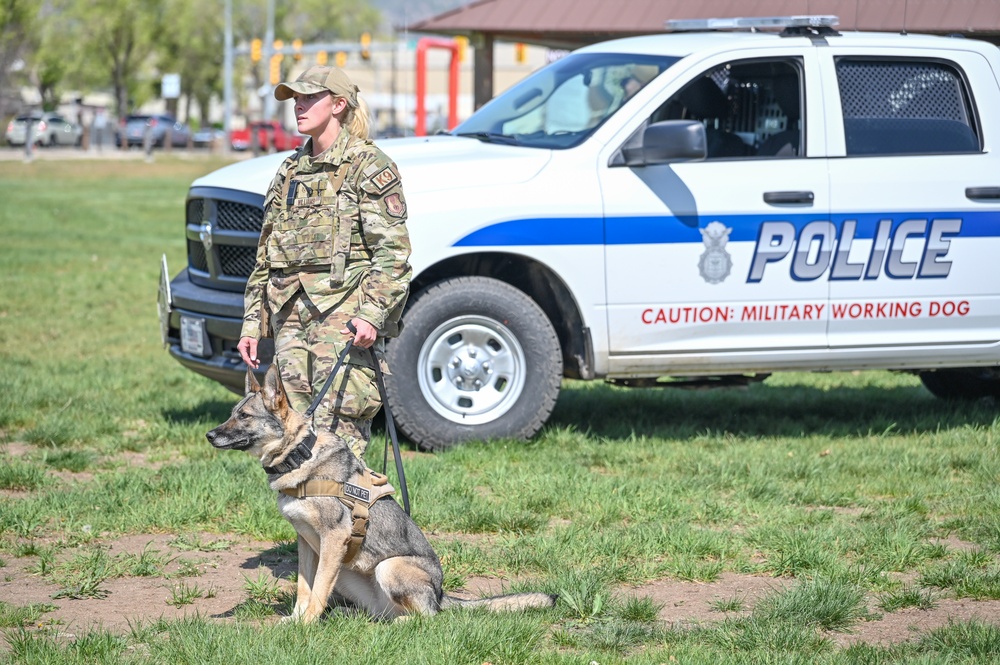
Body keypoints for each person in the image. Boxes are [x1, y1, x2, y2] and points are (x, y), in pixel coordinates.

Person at [237, 64, 412, 461]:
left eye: (308, 97)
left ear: (338, 104)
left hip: (344, 316)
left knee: (339, 434)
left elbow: (393, 253)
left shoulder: (369, 166)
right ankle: (310, 524)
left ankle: (353, 524)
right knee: (292, 434)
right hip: (288, 317)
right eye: (295, 98)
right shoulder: (289, 171)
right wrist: (253, 323)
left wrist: (371, 314)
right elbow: (266, 255)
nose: (298, 105)